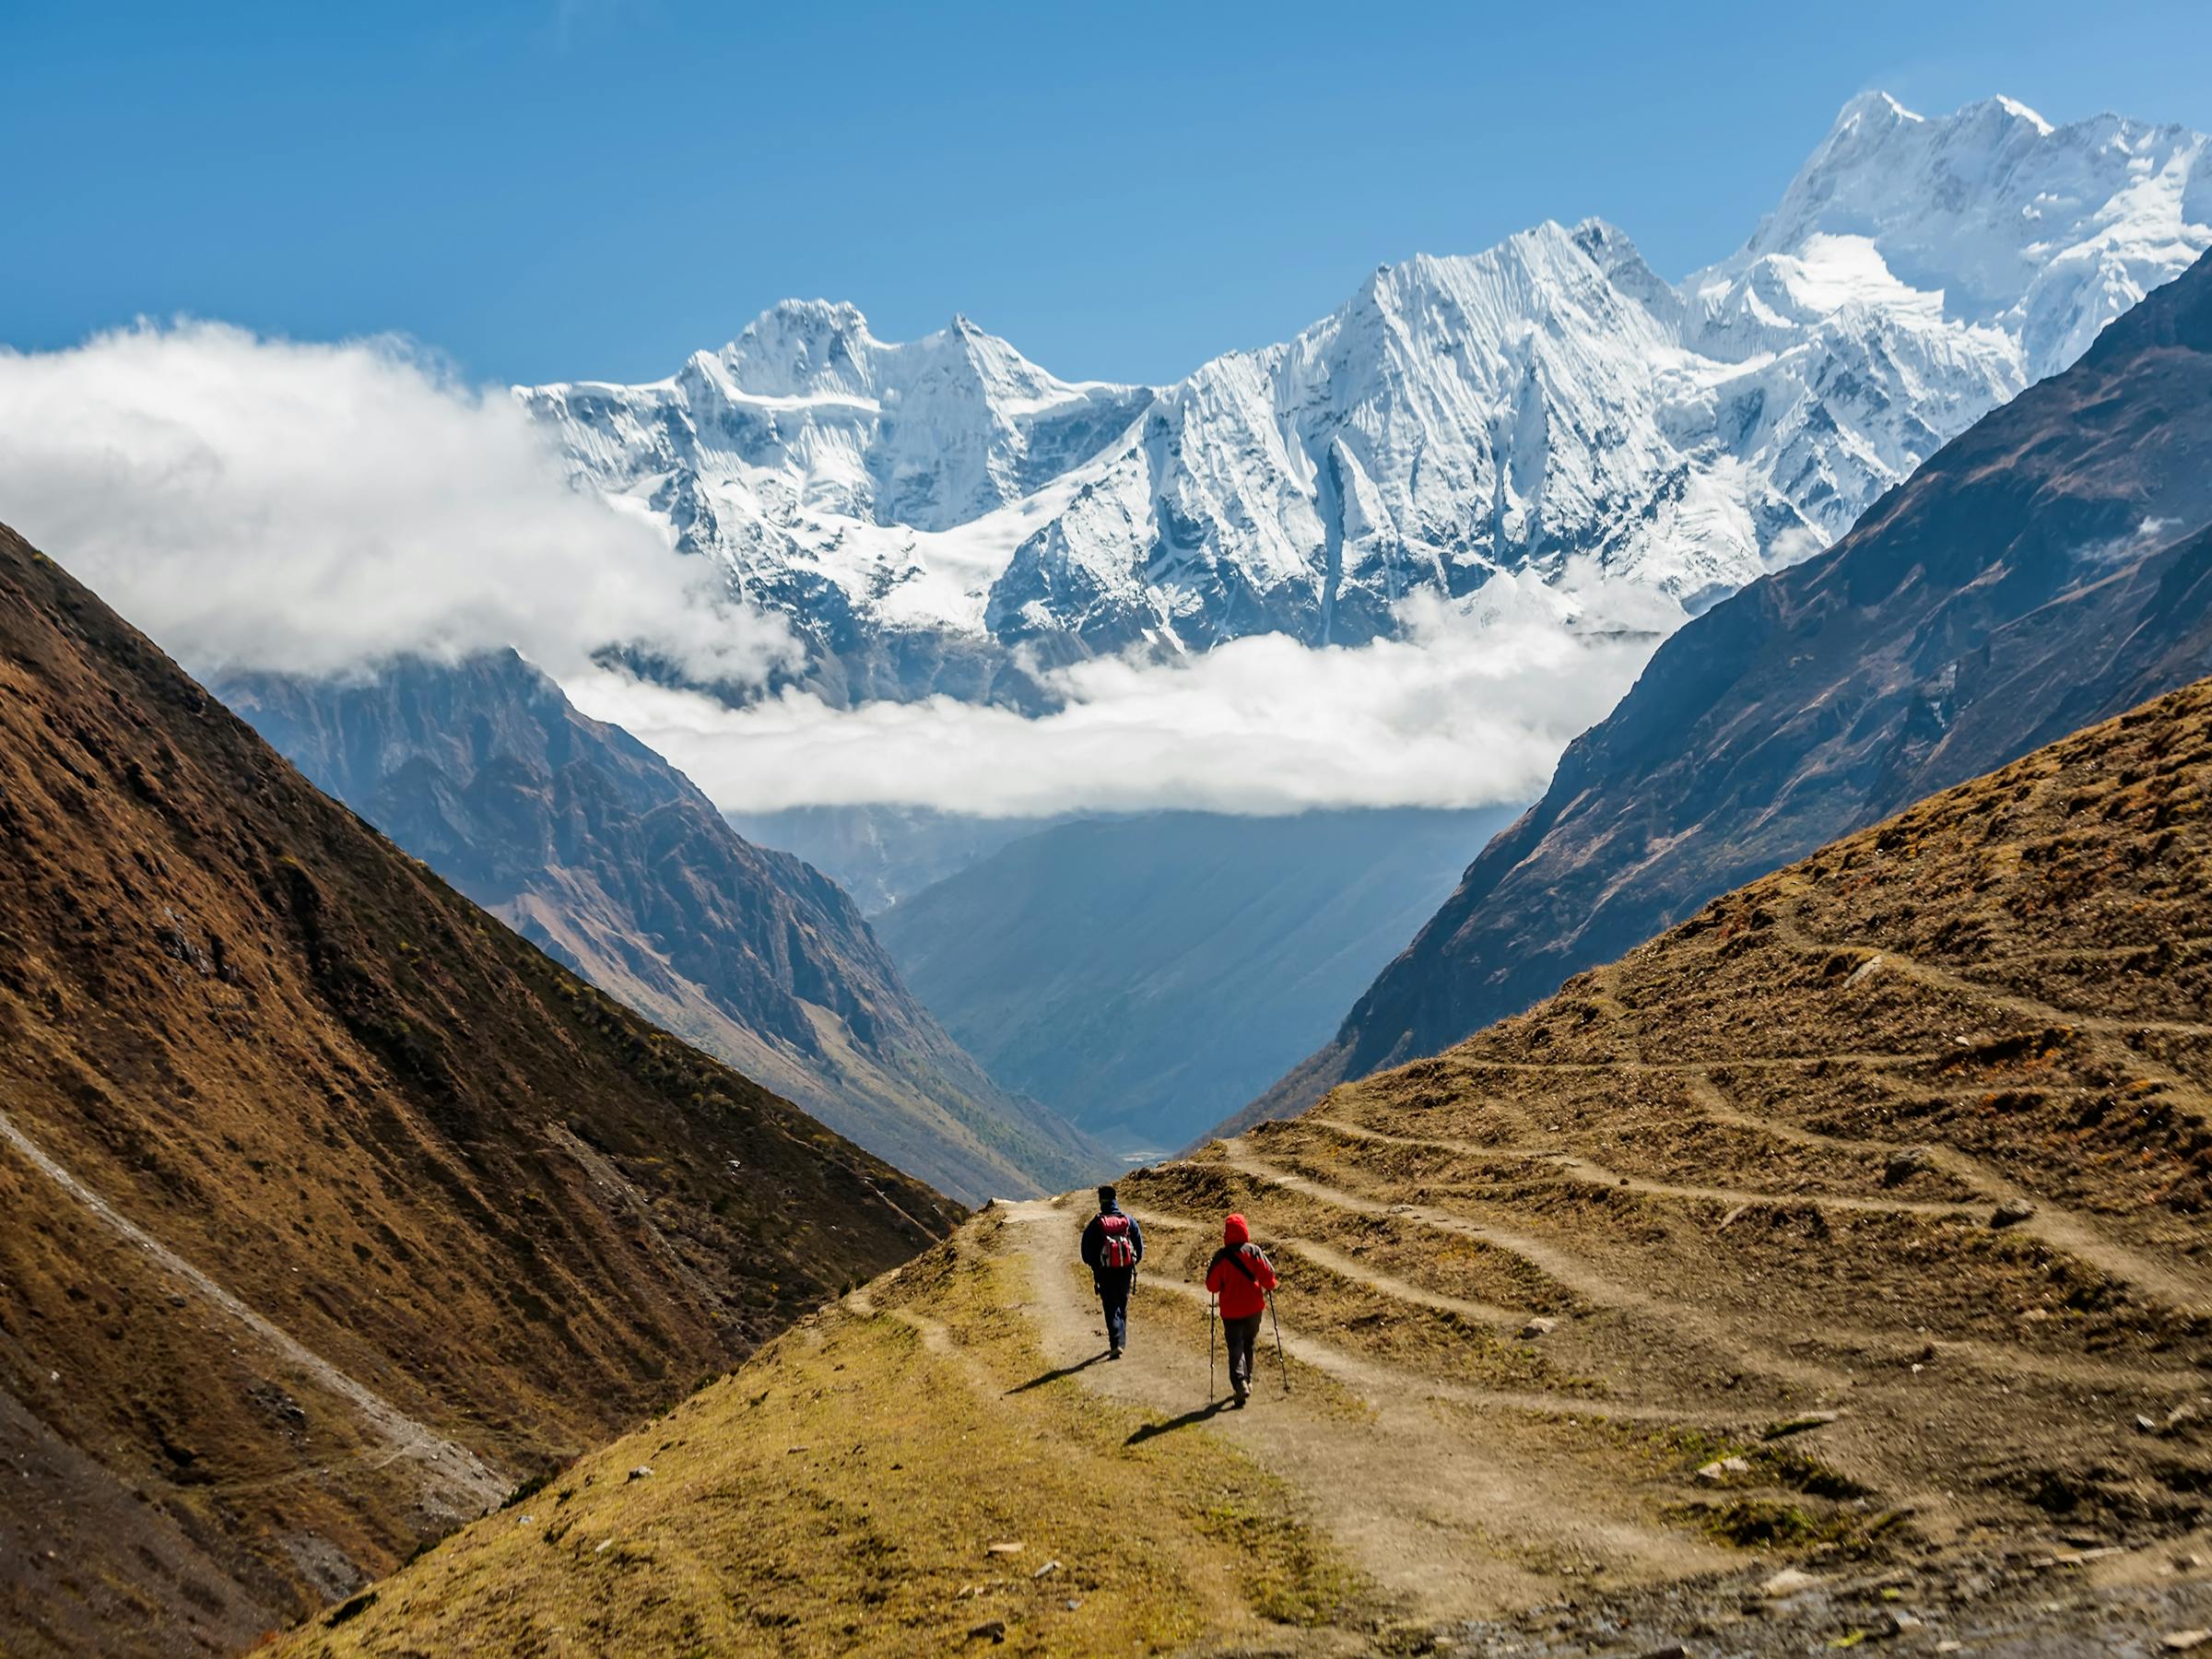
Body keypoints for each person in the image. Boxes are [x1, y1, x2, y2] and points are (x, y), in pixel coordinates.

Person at [1204, 1212, 1278, 1406]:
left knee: (1235, 1347)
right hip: (1254, 1308)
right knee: (1249, 1344)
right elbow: (1269, 1278)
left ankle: (1240, 1383)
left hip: (1231, 1311)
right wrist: (1269, 1285)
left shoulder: (1221, 1256)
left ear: (1226, 1233)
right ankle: (1248, 1379)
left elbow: (1212, 1285)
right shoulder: (1254, 1251)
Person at [1079, 1184, 1145, 1359]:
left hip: (1105, 1270)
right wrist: (1132, 1262)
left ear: (1101, 1200)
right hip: (1125, 1269)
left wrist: (1094, 1264)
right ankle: (1121, 1341)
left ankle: (1116, 1343)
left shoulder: (1096, 1224)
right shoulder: (1128, 1220)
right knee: (1122, 1303)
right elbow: (1139, 1246)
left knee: (1110, 1306)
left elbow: (1086, 1251)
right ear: (1116, 1199)